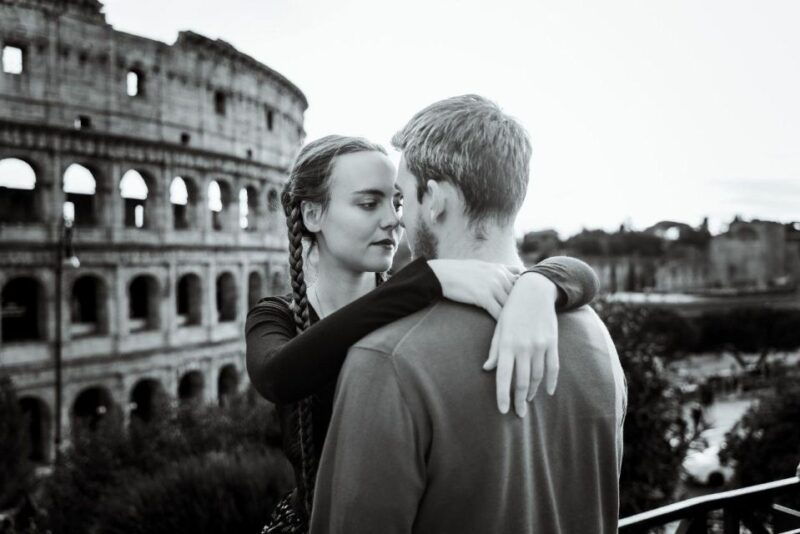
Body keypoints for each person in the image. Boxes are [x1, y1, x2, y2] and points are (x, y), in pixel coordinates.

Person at [246, 135, 600, 533]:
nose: (393, 219)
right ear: (312, 215)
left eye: (396, 202)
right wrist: (424, 278)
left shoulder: (415, 298)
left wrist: (541, 284)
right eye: (368, 203)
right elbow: (277, 375)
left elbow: (582, 274)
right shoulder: (277, 315)